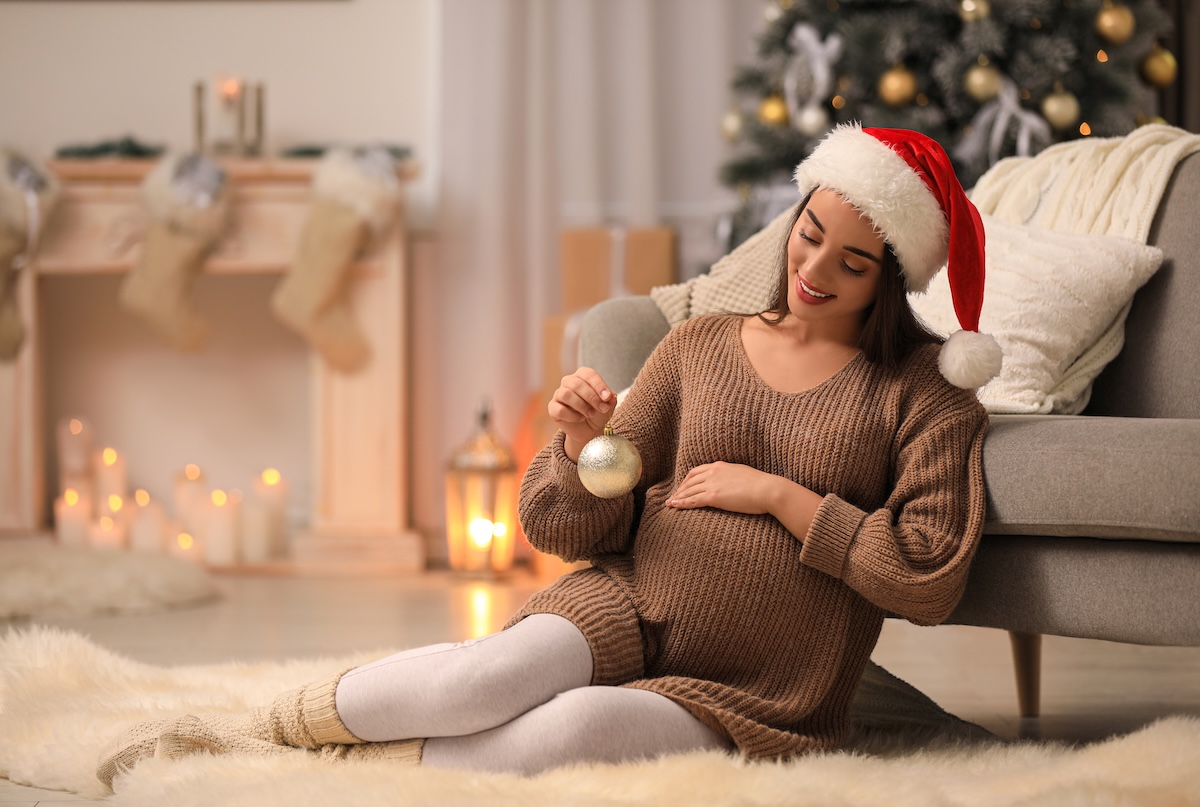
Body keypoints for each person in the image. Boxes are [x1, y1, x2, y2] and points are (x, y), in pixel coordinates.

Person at [96, 124, 1001, 788]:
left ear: (889, 277)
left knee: (562, 732)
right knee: (483, 678)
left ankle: (320, 777)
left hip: (755, 688)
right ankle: (250, 736)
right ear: (793, 217)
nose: (815, 270)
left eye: (852, 262)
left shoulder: (922, 393)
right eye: (809, 234)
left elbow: (926, 578)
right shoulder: (701, 345)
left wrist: (781, 498)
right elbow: (578, 512)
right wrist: (577, 445)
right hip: (624, 602)